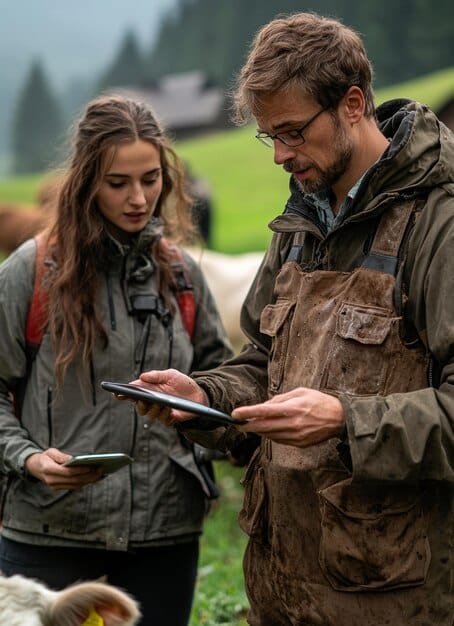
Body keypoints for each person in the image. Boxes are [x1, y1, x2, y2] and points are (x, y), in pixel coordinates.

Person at [128, 12, 454, 626]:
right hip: (280, 595)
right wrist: (207, 396)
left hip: (392, 603)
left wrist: (345, 422)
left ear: (352, 104)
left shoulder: (440, 222)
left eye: (294, 132)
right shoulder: (301, 221)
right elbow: (261, 361)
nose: (280, 155)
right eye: (267, 137)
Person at [0, 94, 233, 626]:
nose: (139, 198)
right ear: (85, 181)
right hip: (48, 533)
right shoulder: (30, 271)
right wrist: (28, 459)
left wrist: (201, 407)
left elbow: (222, 384)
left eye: (151, 179)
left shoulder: (183, 276)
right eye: (117, 183)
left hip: (165, 536)